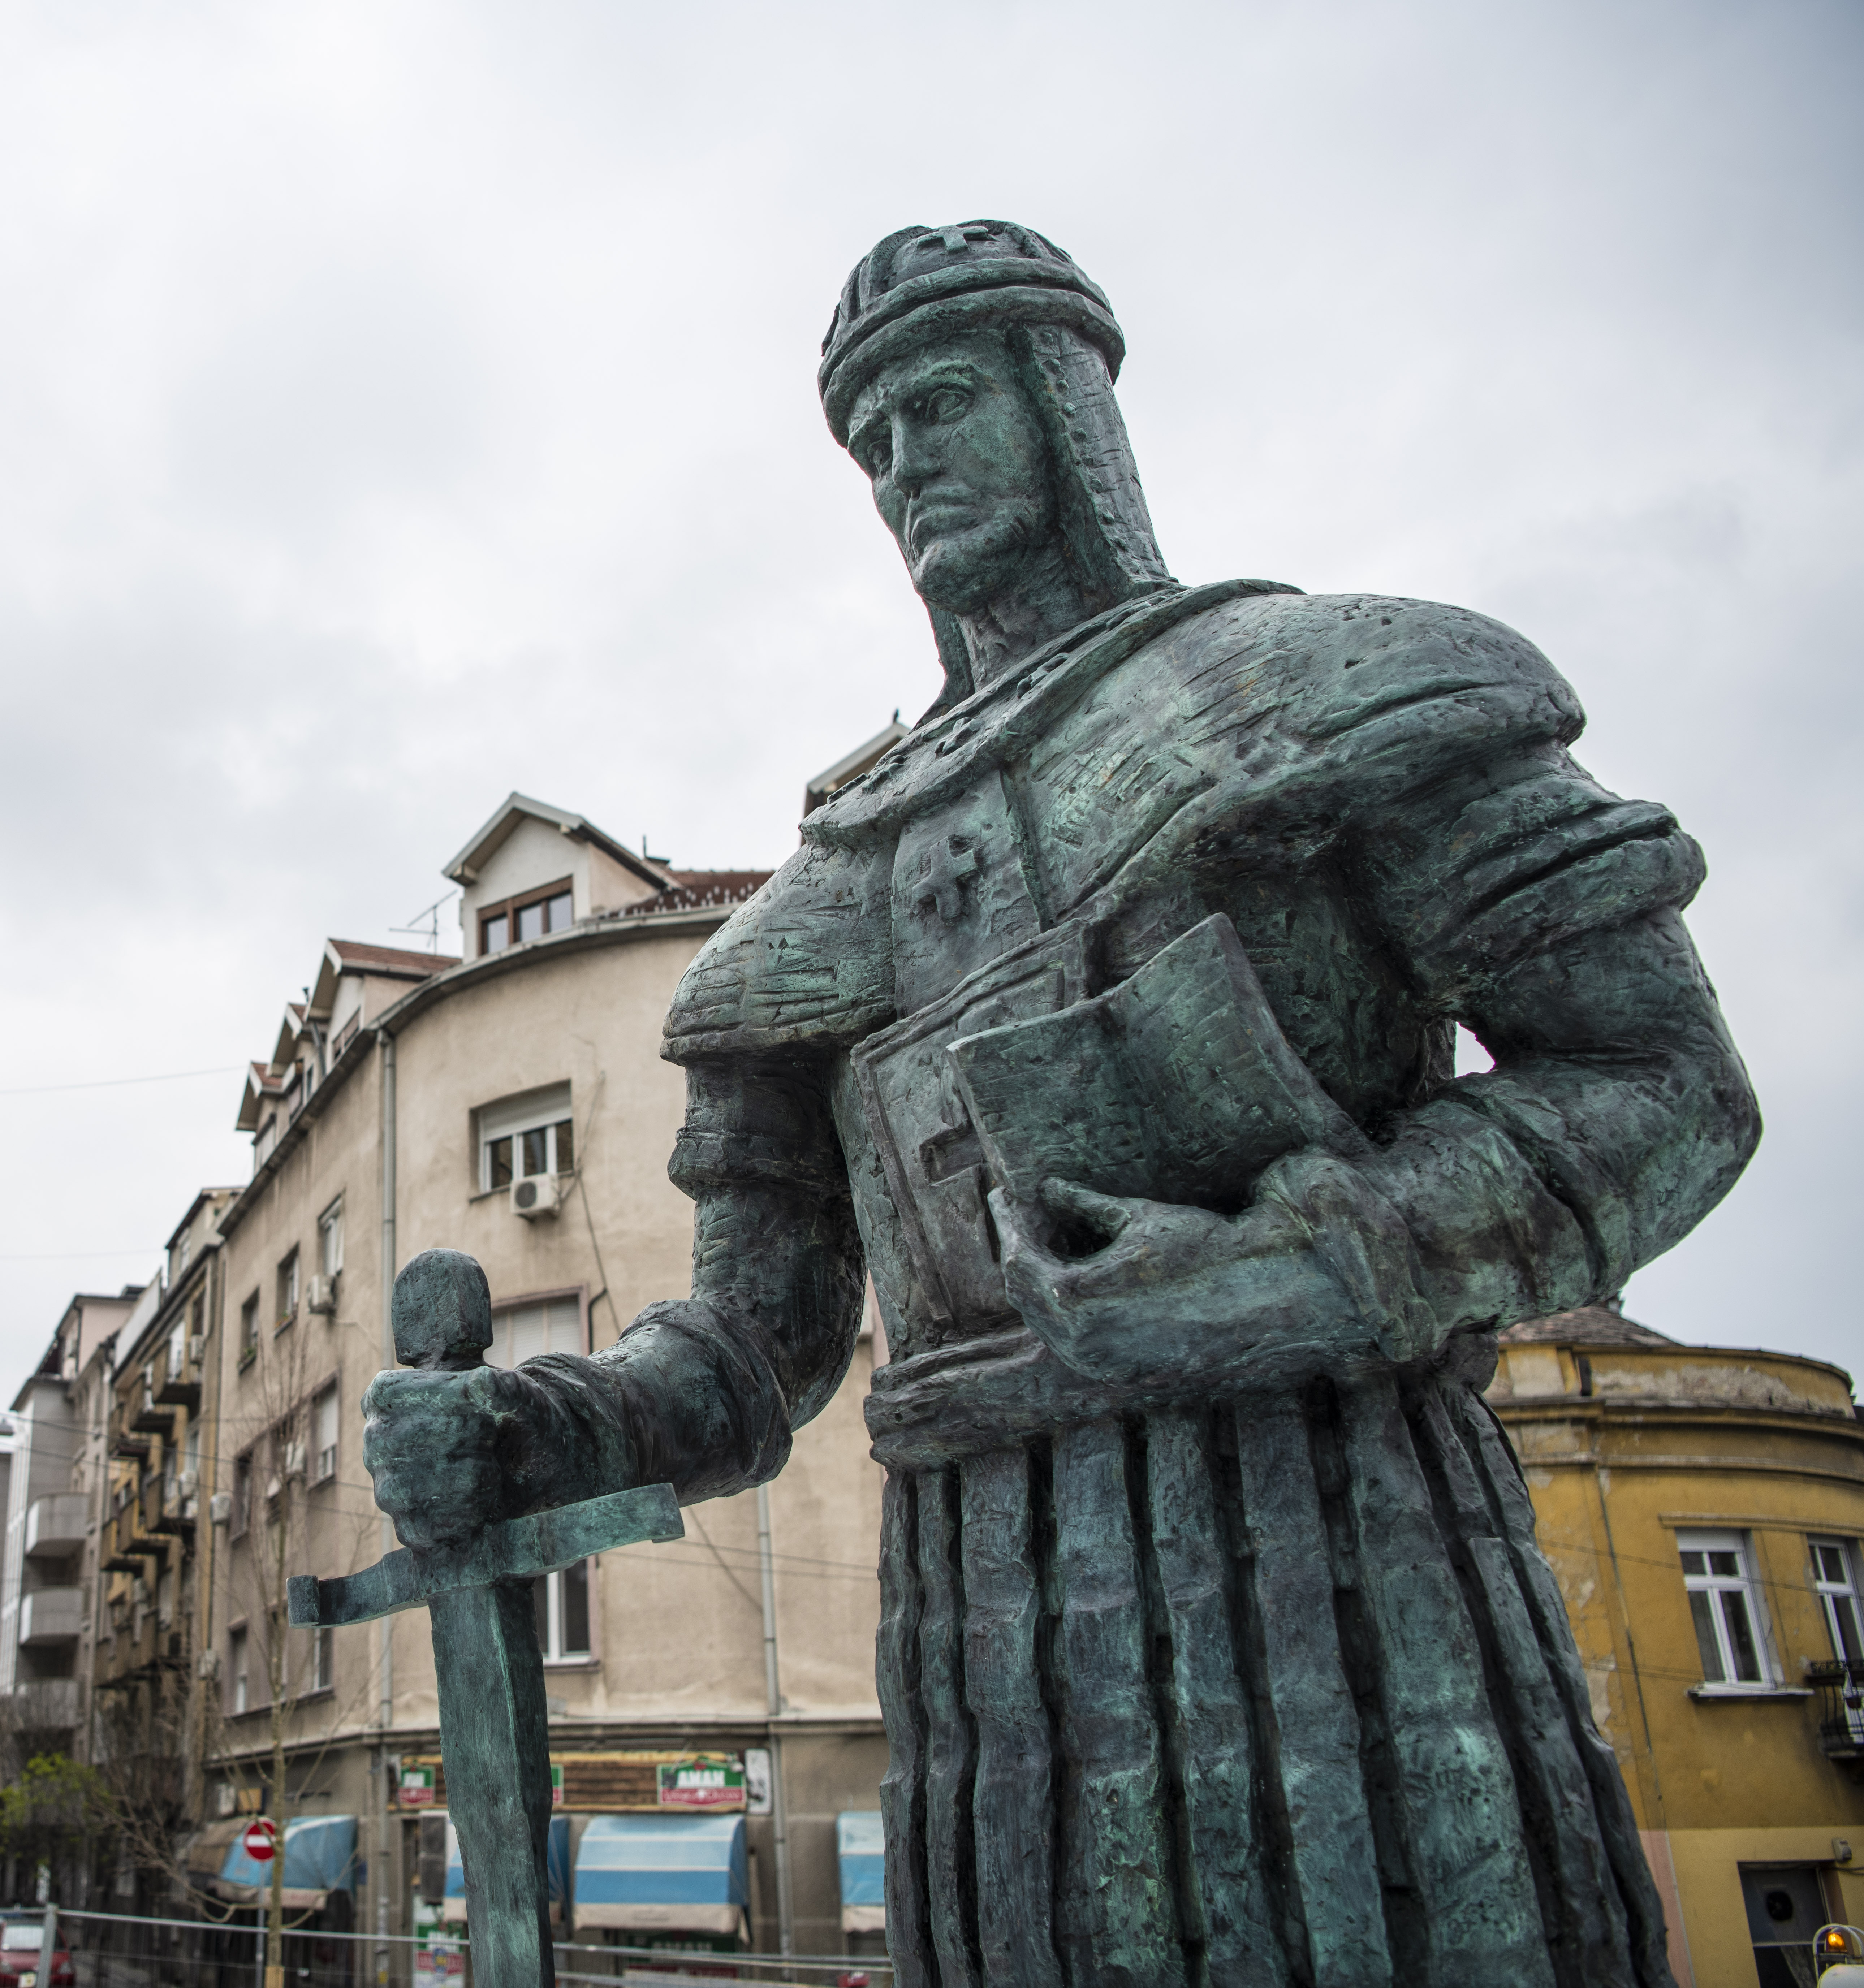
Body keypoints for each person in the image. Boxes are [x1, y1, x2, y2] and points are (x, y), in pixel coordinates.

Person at [363, 221, 1755, 1987]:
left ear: (1062, 404)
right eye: (869, 441)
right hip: (983, 1654)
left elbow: (1667, 1081)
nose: (903, 467)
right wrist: (546, 1425)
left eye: (939, 404)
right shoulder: (825, 900)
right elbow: (757, 1340)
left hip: (1351, 1561)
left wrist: (1321, 1260)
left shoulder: (1326, 688)